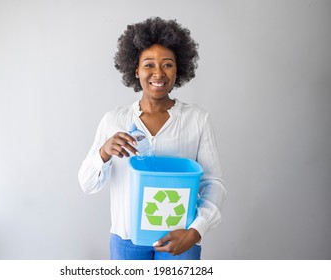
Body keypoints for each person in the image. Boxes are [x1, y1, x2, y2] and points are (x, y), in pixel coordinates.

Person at [78, 17, 226, 260]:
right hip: (127, 241)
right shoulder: (113, 120)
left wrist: (195, 232)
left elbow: (213, 184)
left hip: (179, 238)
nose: (158, 73)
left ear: (178, 69)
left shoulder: (197, 119)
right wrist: (104, 152)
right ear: (135, 70)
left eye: (167, 64)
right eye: (149, 65)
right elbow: (87, 184)